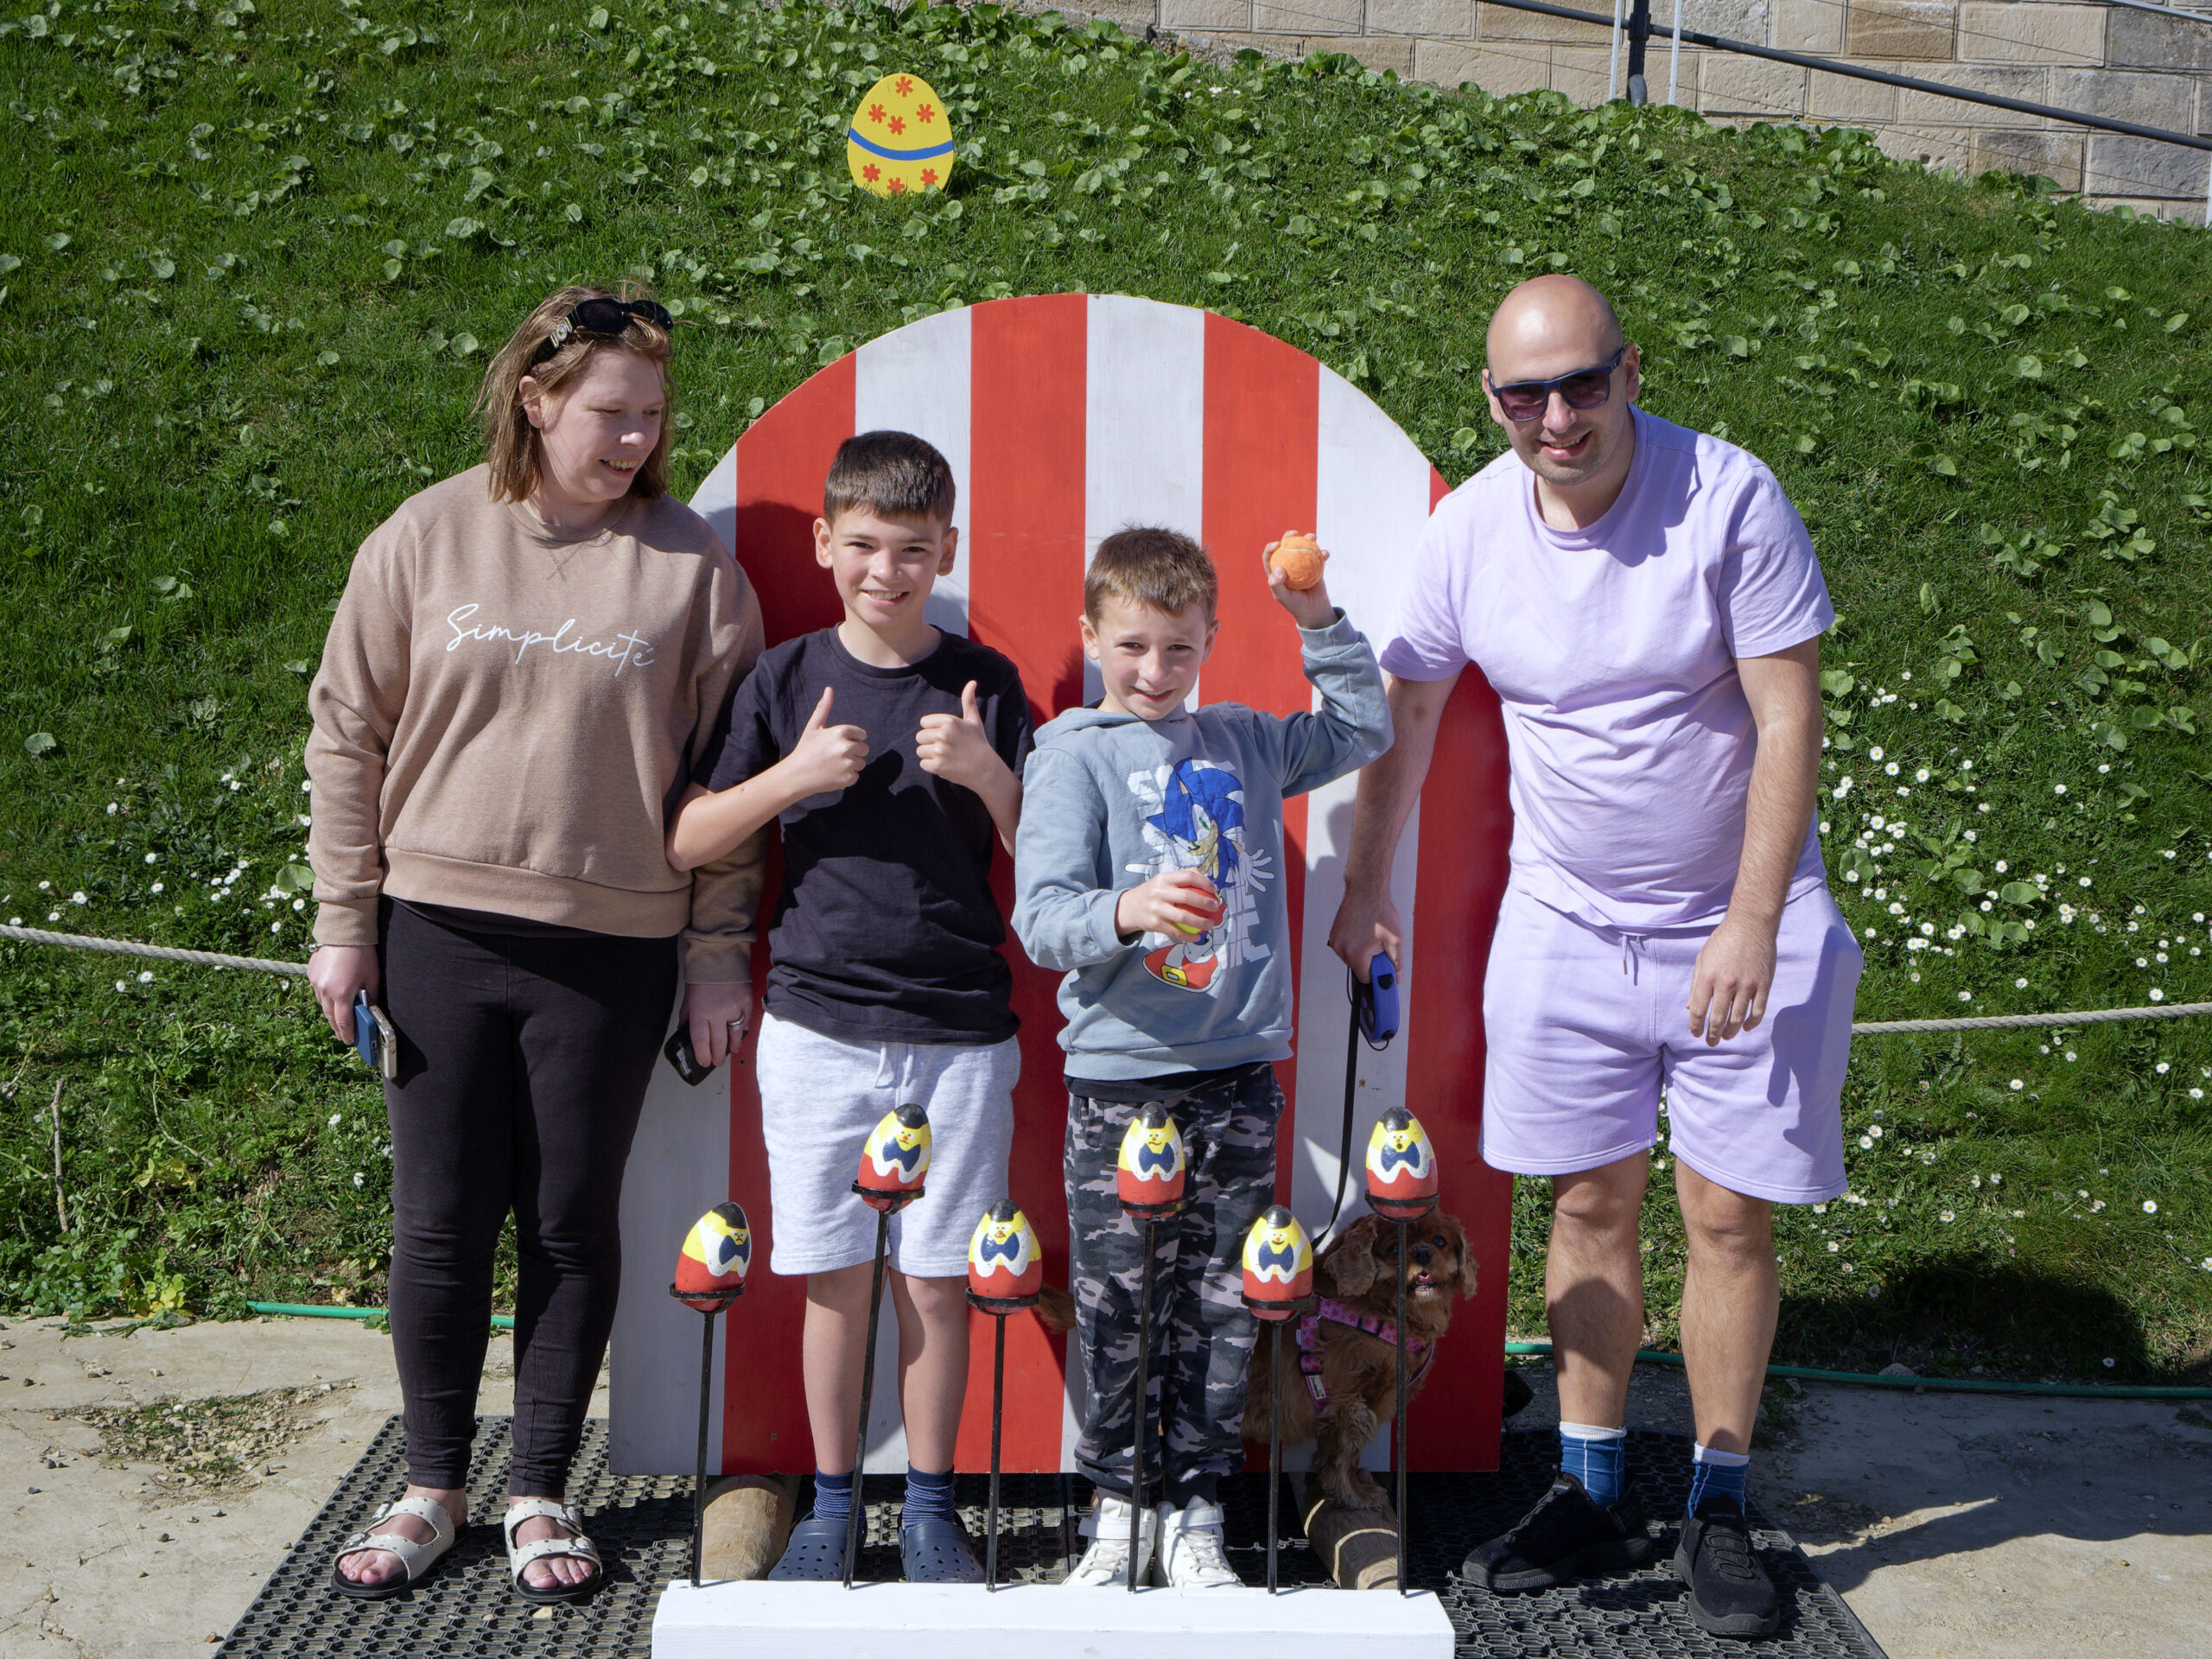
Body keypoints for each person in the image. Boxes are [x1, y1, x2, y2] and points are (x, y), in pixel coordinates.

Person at [1327, 273, 1859, 1640]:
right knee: (1587, 1205)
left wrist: (1750, 921)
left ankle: (1722, 1498)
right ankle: (1587, 1482)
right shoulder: (1470, 532)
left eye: (1579, 383)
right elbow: (1411, 712)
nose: (1555, 415)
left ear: (1630, 372)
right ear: (1492, 402)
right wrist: (1368, 883)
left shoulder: (1729, 498)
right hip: (1566, 917)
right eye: (1524, 393)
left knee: (1729, 1215)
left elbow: (1787, 718)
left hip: (1741, 909)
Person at [307, 286, 765, 1605]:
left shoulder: (691, 567)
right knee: (440, 1223)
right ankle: (434, 1486)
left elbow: (729, 784)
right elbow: (348, 735)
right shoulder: (429, 535)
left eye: (654, 417)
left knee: (569, 1225)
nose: (634, 439)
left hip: (612, 946)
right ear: (536, 396)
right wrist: (347, 922)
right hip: (436, 929)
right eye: (611, 413)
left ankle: (541, 1489)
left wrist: (717, 948)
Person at [666, 430, 1031, 1584]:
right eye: (865, 544)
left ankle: (928, 1507)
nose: (888, 570)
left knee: (937, 1281)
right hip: (817, 1026)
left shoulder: (988, 684)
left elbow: (1047, 854)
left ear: (948, 550)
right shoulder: (781, 679)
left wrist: (987, 773)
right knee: (833, 1273)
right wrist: (787, 782)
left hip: (960, 1029)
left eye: (914, 549)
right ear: (825, 542)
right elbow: (689, 835)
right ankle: (832, 1505)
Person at [1013, 528, 1392, 1587]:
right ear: (1090, 635)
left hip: (1235, 1075)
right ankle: (1120, 1507)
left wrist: (1315, 617)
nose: (1152, 671)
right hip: (1119, 1077)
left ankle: (1194, 1509)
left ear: (1213, 640)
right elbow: (1041, 919)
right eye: (1129, 645)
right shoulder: (1071, 753)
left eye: (1178, 648)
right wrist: (1129, 909)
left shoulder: (1247, 742)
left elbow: (1362, 726)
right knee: (1120, 1301)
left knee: (1227, 1299)